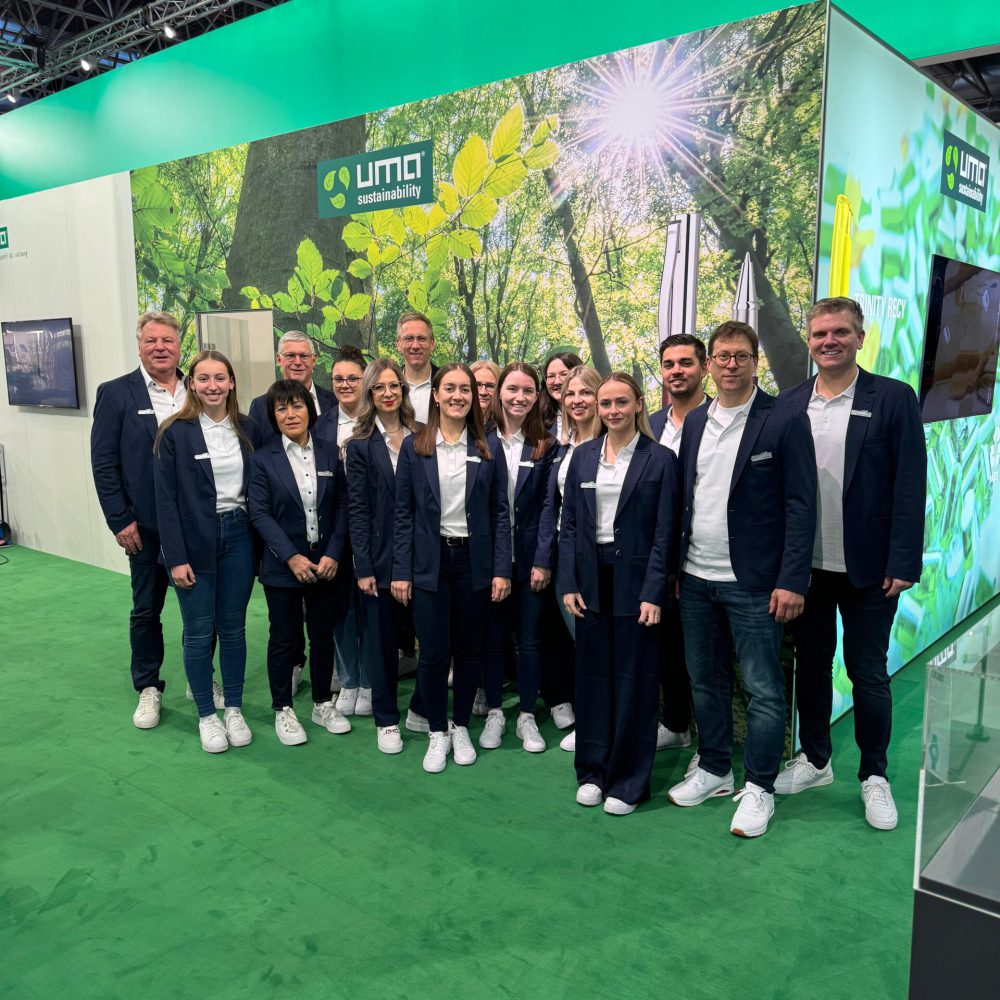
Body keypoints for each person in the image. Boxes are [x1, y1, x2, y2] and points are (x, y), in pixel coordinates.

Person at [776, 297, 926, 830]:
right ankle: (816, 760)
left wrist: (904, 559)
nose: (829, 341)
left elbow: (910, 485)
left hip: (871, 570)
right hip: (805, 571)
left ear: (860, 338)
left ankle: (874, 776)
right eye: (819, 334)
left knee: (868, 672)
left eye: (840, 332)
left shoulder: (893, 399)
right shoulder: (788, 404)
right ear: (809, 342)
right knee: (811, 669)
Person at [667, 321, 817, 838]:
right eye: (722, 356)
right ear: (709, 363)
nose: (731, 364)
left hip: (754, 583)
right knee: (703, 680)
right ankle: (713, 768)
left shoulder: (783, 419)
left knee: (763, 689)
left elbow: (802, 505)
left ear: (756, 361)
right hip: (695, 577)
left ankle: (759, 787)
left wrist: (792, 579)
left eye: (741, 356)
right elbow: (686, 496)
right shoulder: (695, 422)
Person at [559, 372, 678, 815]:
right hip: (590, 582)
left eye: (620, 402)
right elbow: (569, 525)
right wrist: (569, 581)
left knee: (635, 683)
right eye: (605, 402)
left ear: (638, 404)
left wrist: (653, 592)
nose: (612, 410)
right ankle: (592, 771)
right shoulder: (584, 457)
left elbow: (666, 533)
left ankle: (628, 782)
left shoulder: (660, 460)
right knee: (591, 681)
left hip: (638, 584)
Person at [392, 363, 512, 774]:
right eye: (450, 388)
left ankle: (461, 726)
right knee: (433, 653)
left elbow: (499, 513)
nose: (458, 395)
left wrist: (501, 569)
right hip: (429, 563)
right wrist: (401, 571)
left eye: (466, 389)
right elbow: (403, 514)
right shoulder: (415, 447)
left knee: (468, 651)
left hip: (473, 563)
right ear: (436, 394)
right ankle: (437, 731)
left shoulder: (486, 448)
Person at [153, 350, 261, 753]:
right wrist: (175, 557)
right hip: (192, 543)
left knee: (233, 630)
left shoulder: (248, 430)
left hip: (238, 536)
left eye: (220, 378)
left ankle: (232, 707)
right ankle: (207, 715)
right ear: (191, 384)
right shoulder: (174, 432)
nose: (212, 386)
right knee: (198, 633)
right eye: (203, 378)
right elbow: (165, 502)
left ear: (232, 382)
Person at [91, 311, 192, 729]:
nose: (160, 348)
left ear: (179, 346)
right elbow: (104, 463)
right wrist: (120, 520)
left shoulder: (198, 389)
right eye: (151, 341)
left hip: (195, 525)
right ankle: (148, 686)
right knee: (147, 609)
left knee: (200, 609)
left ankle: (202, 679)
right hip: (145, 527)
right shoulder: (116, 394)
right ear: (139, 345)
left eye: (167, 340)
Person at [248, 380, 352, 746]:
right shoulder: (262, 459)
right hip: (283, 567)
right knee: (284, 638)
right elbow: (259, 513)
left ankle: (322, 702)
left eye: (297, 406)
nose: (290, 414)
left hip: (325, 564)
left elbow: (342, 507)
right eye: (281, 409)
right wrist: (290, 557)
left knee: (323, 637)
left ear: (310, 409)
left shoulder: (329, 452)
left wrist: (334, 553)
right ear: (273, 417)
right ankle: (283, 708)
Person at [345, 359, 422, 754]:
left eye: (395, 386)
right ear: (370, 394)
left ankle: (422, 709)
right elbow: (357, 510)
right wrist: (363, 567)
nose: (389, 393)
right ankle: (386, 719)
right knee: (383, 644)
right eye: (380, 387)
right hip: (378, 561)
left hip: (423, 558)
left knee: (433, 640)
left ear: (403, 391)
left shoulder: (424, 436)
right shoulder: (358, 446)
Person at [480, 363, 556, 752]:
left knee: (530, 640)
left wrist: (542, 560)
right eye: (512, 389)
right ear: (499, 392)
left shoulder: (545, 444)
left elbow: (548, 509)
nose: (519, 397)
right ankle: (495, 711)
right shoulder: (479, 441)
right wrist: (495, 566)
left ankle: (526, 714)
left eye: (528, 390)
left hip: (530, 563)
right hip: (491, 561)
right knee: (493, 640)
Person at [649, 333, 718, 753]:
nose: (677, 371)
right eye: (669, 364)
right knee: (667, 649)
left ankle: (713, 749)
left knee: (706, 662)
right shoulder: (652, 425)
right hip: (660, 558)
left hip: (705, 559)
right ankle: (675, 724)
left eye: (685, 363)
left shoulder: (719, 419)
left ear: (704, 366)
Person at [534, 364, 603, 753]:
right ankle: (591, 718)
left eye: (585, 393)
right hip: (565, 556)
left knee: (596, 643)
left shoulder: (613, 443)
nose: (576, 400)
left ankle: (599, 723)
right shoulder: (564, 446)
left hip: (600, 559)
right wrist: (545, 559)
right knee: (582, 643)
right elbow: (552, 506)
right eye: (571, 394)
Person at [316, 345, 372, 716]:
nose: (345, 384)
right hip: (333, 531)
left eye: (353, 378)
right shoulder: (319, 424)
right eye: (338, 379)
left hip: (371, 530)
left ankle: (368, 682)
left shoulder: (378, 421)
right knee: (340, 611)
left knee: (370, 609)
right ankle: (348, 679)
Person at [248, 331, 337, 439]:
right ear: (279, 359)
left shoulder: (334, 402)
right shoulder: (260, 407)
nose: (298, 362)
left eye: (304, 356)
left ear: (314, 360)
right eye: (290, 356)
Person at [396, 311, 437, 423]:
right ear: (398, 344)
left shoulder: (446, 383)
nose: (415, 346)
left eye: (422, 339)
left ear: (432, 343)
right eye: (408, 339)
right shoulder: (388, 385)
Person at [539, 351, 583, 439]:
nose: (557, 382)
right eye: (551, 376)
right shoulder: (538, 419)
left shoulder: (597, 417)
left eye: (564, 374)